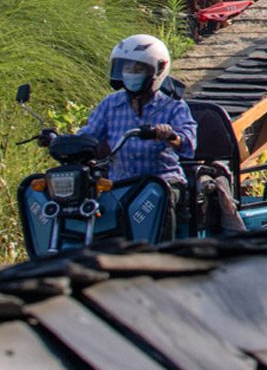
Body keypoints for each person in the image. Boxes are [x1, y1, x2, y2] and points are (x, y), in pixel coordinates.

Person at [77, 34, 198, 242]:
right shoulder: (110, 104)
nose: (131, 75)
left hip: (162, 181)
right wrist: (60, 141)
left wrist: (169, 135)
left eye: (138, 70)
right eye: (127, 69)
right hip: (119, 184)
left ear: (157, 71)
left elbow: (188, 143)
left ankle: (163, 255)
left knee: (158, 196)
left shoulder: (173, 105)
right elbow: (88, 136)